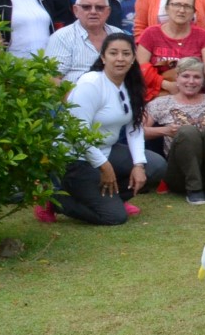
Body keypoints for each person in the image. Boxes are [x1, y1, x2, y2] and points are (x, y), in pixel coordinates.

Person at [50, 34, 166, 225]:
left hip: (106, 150)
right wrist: (104, 165)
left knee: (155, 166)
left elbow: (134, 127)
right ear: (103, 57)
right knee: (114, 217)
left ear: (133, 58)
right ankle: (55, 200)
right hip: (75, 158)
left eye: (126, 53)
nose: (120, 58)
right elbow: (78, 131)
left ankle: (113, 198)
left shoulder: (131, 84)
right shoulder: (90, 84)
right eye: (113, 53)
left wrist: (138, 165)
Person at [144, 57, 205, 204]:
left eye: (197, 77)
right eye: (185, 76)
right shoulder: (161, 103)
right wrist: (164, 130)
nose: (191, 81)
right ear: (177, 78)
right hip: (180, 172)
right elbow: (138, 133)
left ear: (203, 81)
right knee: (188, 131)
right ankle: (194, 190)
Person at [136, 0, 205, 103]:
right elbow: (140, 68)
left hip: (194, 95)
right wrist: (167, 85)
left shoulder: (203, 36)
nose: (182, 10)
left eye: (187, 6)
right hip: (158, 96)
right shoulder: (150, 33)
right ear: (167, 8)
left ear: (193, 12)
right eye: (176, 5)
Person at [45, 0, 122, 81]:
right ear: (76, 10)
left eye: (99, 8)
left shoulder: (118, 35)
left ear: (108, 12)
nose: (93, 11)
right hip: (73, 94)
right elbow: (53, 79)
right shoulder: (61, 37)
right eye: (86, 7)